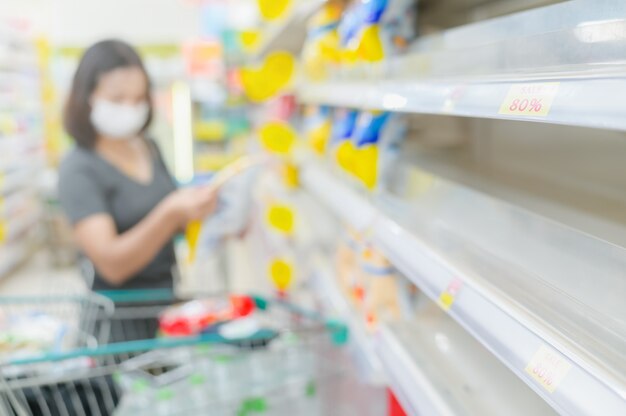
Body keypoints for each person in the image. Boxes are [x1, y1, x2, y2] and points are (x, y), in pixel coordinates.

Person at [58, 39, 217, 296]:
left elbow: (174, 223)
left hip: (164, 299)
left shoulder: (148, 147)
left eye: (138, 98)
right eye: (117, 99)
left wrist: (203, 208)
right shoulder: (78, 168)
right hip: (118, 318)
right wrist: (170, 212)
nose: (130, 108)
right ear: (87, 97)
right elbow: (112, 265)